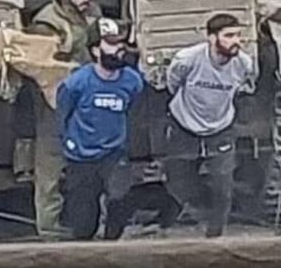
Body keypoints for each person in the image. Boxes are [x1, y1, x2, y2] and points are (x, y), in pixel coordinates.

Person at [164, 13, 255, 238]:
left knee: (223, 186)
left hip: (221, 128)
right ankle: (196, 211)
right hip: (184, 126)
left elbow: (244, 87)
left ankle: (215, 236)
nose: (236, 41)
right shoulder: (188, 60)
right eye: (229, 36)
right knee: (179, 184)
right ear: (212, 39)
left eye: (238, 35)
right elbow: (173, 83)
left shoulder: (243, 64)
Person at [28, 0, 101, 237]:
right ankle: (49, 228)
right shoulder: (46, 23)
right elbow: (41, 67)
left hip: (90, 100)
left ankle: (91, 224)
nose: (85, 0)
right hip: (55, 102)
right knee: (50, 167)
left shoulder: (93, 13)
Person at [56, 17, 144, 240]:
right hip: (81, 156)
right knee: (84, 222)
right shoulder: (76, 83)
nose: (119, 49)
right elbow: (63, 112)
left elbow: (134, 110)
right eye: (112, 44)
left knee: (121, 199)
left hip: (114, 153)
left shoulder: (133, 81)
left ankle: (111, 245)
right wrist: (69, 142)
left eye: (121, 43)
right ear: (96, 50)